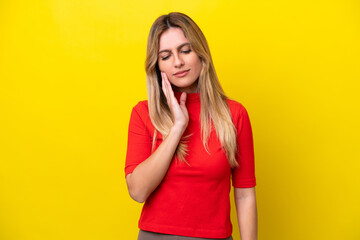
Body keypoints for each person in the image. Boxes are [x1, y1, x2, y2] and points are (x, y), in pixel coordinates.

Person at [125, 12, 257, 240]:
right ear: (157, 67)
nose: (178, 62)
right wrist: (177, 127)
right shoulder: (143, 113)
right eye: (165, 56)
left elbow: (245, 195)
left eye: (185, 50)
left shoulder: (234, 114)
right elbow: (137, 191)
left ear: (201, 53)